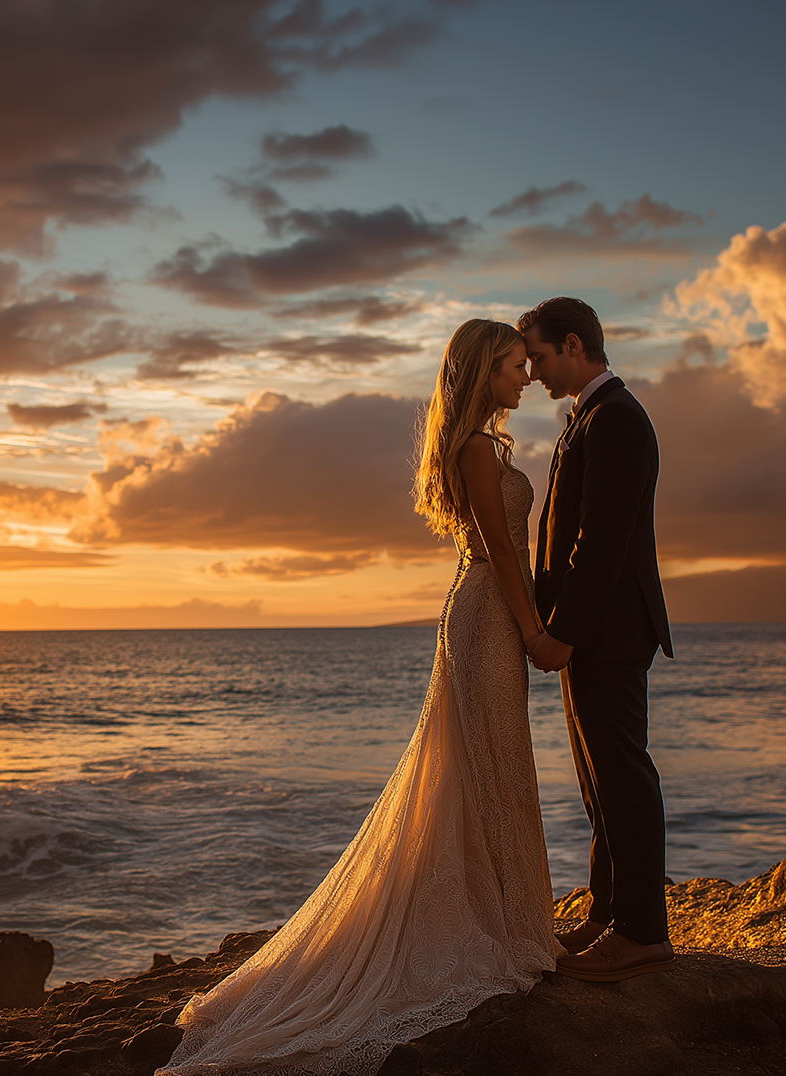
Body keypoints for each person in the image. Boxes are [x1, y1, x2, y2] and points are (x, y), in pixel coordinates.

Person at [161, 318, 561, 1076]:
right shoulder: (476, 450)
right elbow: (502, 549)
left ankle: (514, 922)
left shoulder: (478, 443)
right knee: (493, 768)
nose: (526, 377)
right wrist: (536, 627)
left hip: (479, 611)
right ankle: (512, 936)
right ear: (485, 372)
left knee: (489, 769)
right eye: (515, 365)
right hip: (488, 614)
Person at [518, 296, 676, 982]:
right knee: (597, 782)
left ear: (575, 346)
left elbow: (601, 545)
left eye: (540, 356)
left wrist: (564, 634)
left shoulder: (616, 420)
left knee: (622, 777)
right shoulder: (592, 416)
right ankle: (610, 915)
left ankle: (641, 932)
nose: (532, 372)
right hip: (597, 632)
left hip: (607, 631)